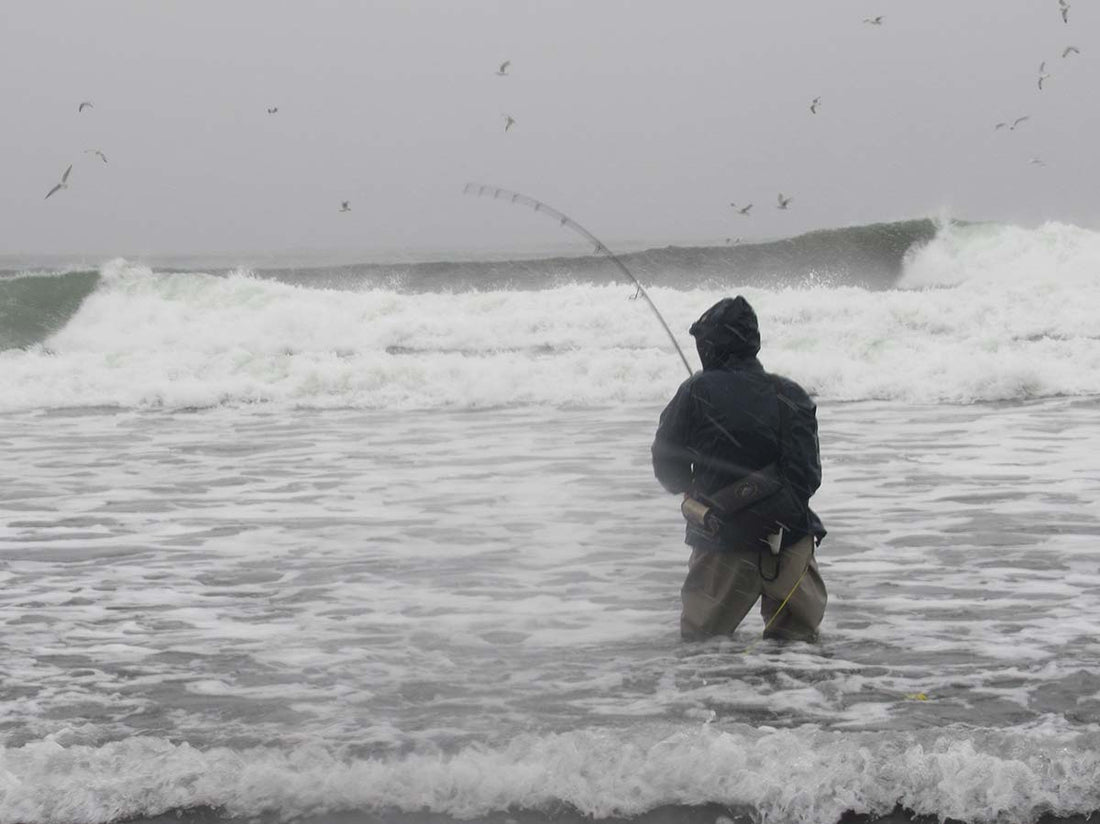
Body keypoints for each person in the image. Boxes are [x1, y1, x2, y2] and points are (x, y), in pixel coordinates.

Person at [651, 296, 827, 641]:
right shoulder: (790, 393)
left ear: (711, 345)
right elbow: (808, 475)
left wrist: (691, 491)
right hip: (790, 540)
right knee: (799, 656)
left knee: (703, 651)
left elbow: (666, 463)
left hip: (722, 539)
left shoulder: (695, 391)